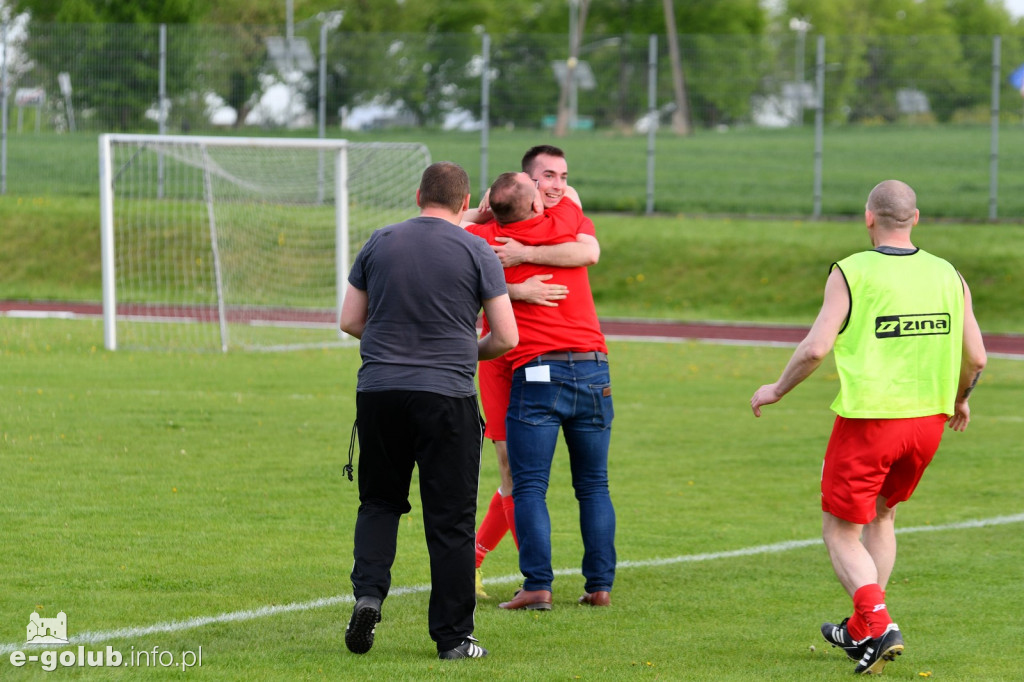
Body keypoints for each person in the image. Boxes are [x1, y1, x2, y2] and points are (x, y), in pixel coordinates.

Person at [749, 180, 986, 675]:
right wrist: (962, 399)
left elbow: (816, 348)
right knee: (882, 517)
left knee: (839, 530)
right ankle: (861, 629)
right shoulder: (949, 273)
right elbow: (978, 356)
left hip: (872, 420)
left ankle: (877, 622)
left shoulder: (851, 270)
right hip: (928, 423)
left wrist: (776, 388)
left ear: (868, 218)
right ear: (915, 218)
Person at [339, 161, 518, 660]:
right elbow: (506, 336)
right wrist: (464, 351)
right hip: (447, 397)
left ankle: (369, 596)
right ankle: (454, 638)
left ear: (418, 195)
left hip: (379, 392)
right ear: (465, 204)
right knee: (451, 520)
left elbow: (351, 320)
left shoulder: (379, 240)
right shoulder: (477, 248)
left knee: (379, 503)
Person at [466, 171, 615, 611]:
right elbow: (570, 194)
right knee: (594, 486)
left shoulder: (484, 236)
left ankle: (537, 586)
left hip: (536, 372)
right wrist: (547, 197)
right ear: (536, 203)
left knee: (529, 486)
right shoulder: (562, 219)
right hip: (593, 368)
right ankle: (599, 585)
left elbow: (445, 224)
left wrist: (483, 210)